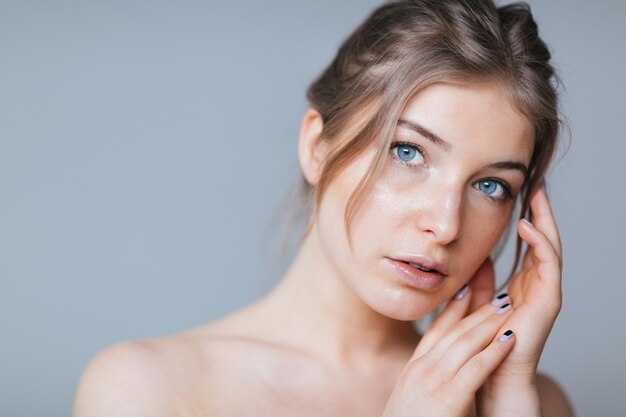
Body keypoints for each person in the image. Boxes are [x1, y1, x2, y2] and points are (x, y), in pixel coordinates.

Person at [73, 0, 574, 415]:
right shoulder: (146, 391)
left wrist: (507, 400)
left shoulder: (531, 402)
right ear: (317, 145)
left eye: (490, 186)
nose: (445, 225)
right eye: (408, 152)